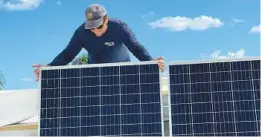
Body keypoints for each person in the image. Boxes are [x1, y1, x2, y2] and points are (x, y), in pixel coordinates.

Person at [32, 4, 164, 80]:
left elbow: (136, 48)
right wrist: (48, 68)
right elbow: (68, 55)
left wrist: (151, 62)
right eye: (91, 27)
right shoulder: (81, 33)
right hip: (96, 74)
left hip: (122, 72)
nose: (95, 31)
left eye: (99, 26)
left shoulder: (119, 27)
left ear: (106, 19)